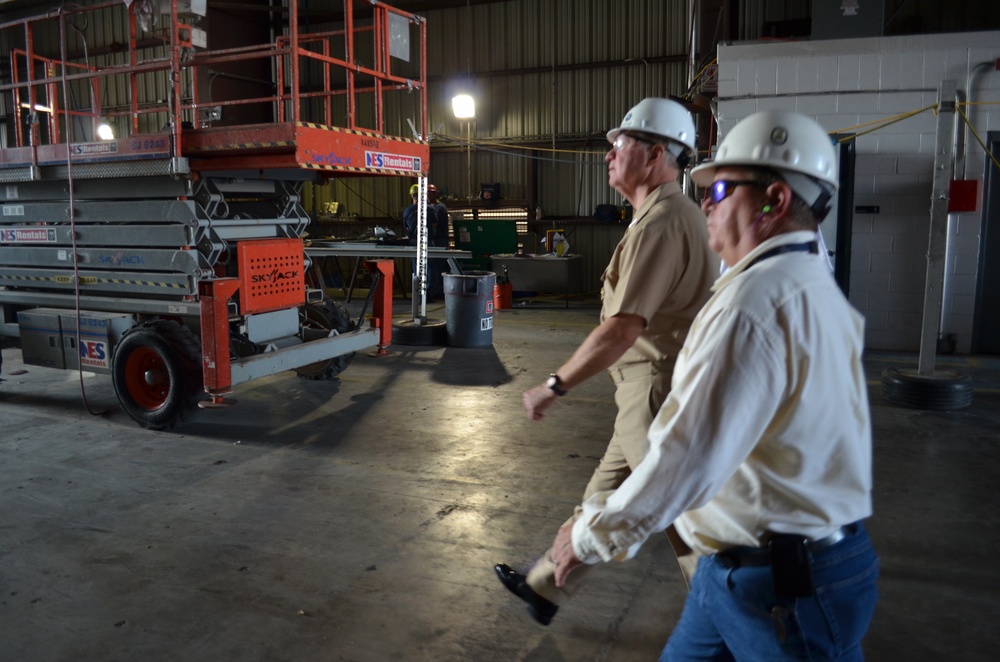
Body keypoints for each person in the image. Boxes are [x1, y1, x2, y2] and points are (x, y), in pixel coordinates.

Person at [550, 110, 879, 660]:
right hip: (736, 570)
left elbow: (684, 458)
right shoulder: (810, 282)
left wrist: (589, 539)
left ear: (774, 201)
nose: (706, 202)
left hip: (780, 587)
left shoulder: (753, 305)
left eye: (722, 188)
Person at [494, 98, 719, 625]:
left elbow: (622, 329)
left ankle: (727, 627)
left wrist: (555, 383)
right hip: (643, 391)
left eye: (619, 146)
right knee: (601, 499)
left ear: (655, 154)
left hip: (656, 391)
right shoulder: (664, 216)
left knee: (681, 521)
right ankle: (544, 587)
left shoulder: (662, 223)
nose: (608, 156)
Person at [403, 183, 449, 300]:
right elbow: (434, 224)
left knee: (418, 267)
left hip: (417, 242)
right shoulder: (430, 209)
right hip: (428, 241)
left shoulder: (408, 210)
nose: (429, 195)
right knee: (431, 267)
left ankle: (421, 293)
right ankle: (428, 293)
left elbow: (406, 227)